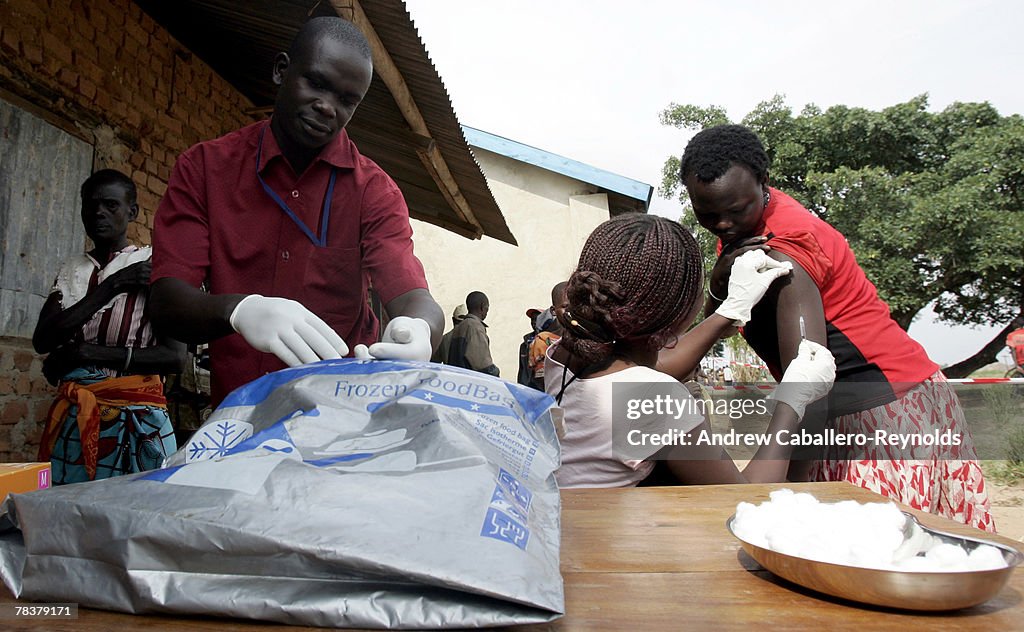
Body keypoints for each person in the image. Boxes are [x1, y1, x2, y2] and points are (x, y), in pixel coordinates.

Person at [681, 124, 993, 531]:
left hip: (883, 411)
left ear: (764, 183)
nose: (722, 225)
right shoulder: (744, 224)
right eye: (708, 215)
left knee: (879, 555)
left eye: (735, 211)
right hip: (845, 413)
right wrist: (720, 284)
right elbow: (721, 320)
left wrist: (793, 481)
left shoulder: (786, 249)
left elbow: (809, 377)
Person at [150, 17, 443, 407]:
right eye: (317, 84)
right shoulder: (205, 169)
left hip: (342, 416)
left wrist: (420, 330)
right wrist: (238, 310)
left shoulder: (374, 191)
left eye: (347, 100)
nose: (327, 107)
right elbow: (167, 301)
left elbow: (411, 296)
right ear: (281, 70)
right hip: (238, 416)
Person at [545, 214, 835, 488]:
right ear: (677, 314)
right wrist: (792, 400)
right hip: (597, 538)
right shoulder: (653, 395)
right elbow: (746, 495)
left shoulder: (564, 353)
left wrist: (729, 310)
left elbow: (648, 369)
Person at [33, 170, 186, 484]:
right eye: (91, 206)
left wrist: (84, 353)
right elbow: (43, 339)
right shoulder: (72, 269)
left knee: (134, 516)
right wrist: (113, 285)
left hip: (138, 423)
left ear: (132, 212)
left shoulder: (154, 265)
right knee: (71, 513)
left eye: (110, 205)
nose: (98, 213)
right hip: (75, 419)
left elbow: (173, 357)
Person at [527, 282, 568, 390]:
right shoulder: (543, 341)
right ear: (554, 311)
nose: (570, 312)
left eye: (576, 306)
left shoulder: (589, 337)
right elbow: (543, 383)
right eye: (565, 307)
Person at [448, 291, 499, 376]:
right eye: (487, 308)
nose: (487, 312)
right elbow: (483, 366)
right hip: (472, 383)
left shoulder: (461, 326)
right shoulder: (475, 328)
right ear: (482, 307)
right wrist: (496, 373)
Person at [517, 307, 543, 386]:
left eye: (537, 319)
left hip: (543, 390)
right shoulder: (524, 346)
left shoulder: (548, 342)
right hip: (527, 389)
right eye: (532, 320)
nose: (534, 322)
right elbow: (522, 370)